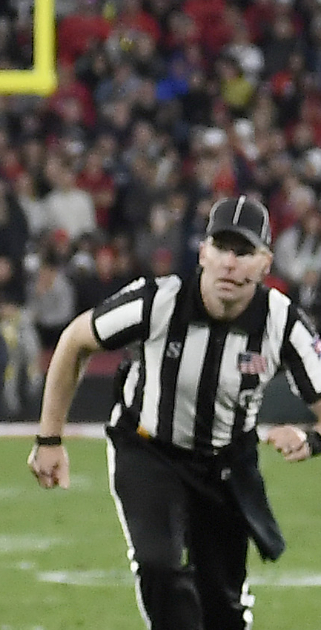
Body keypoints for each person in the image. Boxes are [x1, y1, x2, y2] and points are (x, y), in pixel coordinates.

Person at [27, 196, 321, 630]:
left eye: (244, 253)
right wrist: (49, 440)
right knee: (159, 564)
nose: (230, 263)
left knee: (222, 610)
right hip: (149, 447)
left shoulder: (284, 323)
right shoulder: (158, 300)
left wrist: (311, 439)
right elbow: (75, 340)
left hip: (227, 461)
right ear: (203, 252)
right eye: (221, 248)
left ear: (265, 264)